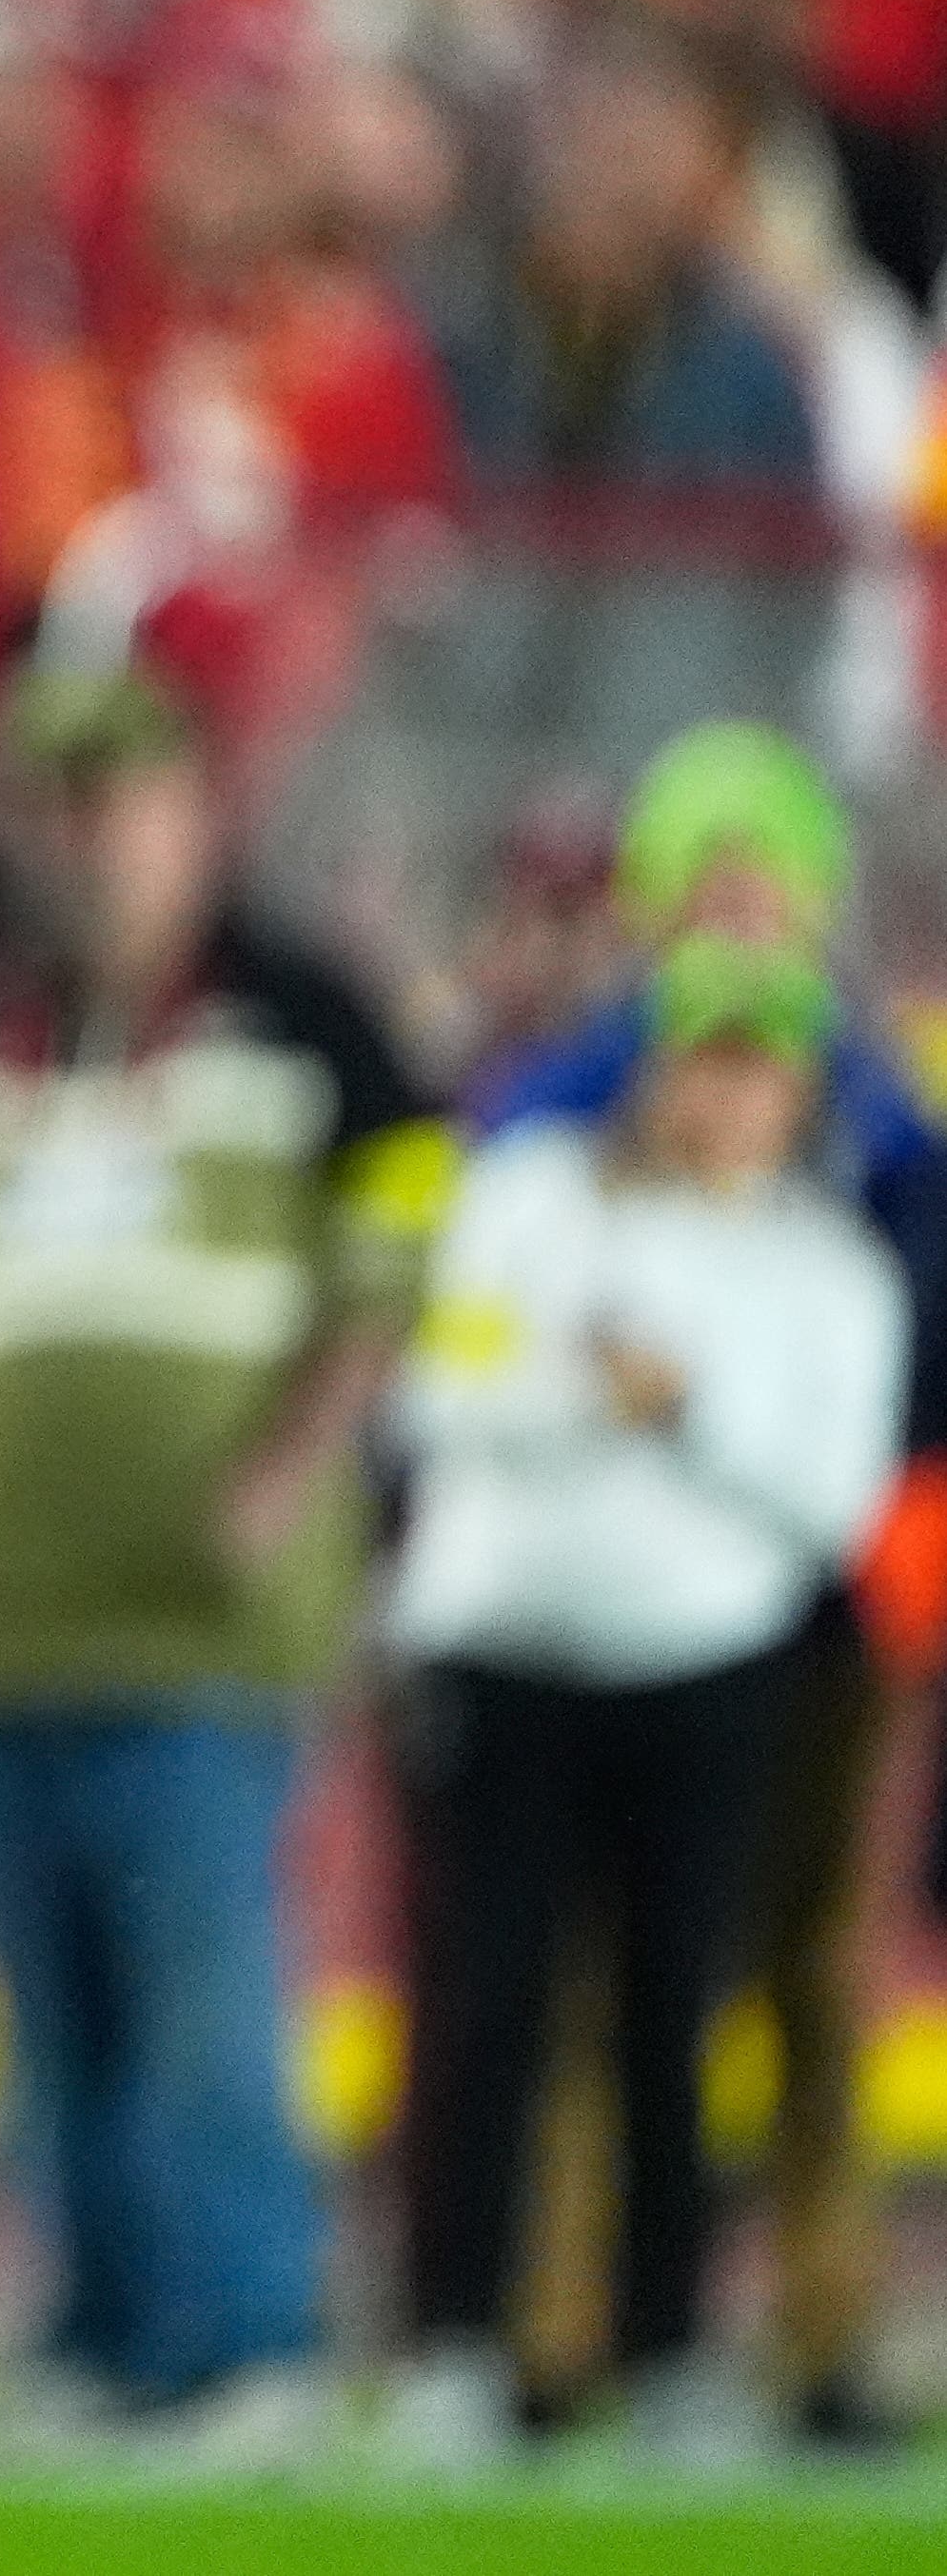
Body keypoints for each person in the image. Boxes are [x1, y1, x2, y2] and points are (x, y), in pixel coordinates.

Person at [0, 665, 436, 2461]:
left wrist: (297, 1461)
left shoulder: (299, 1012)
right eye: (60, 804)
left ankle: (247, 2340)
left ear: (196, 813)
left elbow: (405, 1227)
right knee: (54, 2021)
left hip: (201, 1619)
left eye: (124, 801)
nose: (92, 842)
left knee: (202, 2008)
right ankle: (101, 2342)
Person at [466, 719, 942, 2447]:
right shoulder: (564, 1102)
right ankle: (565, 2326)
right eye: (709, 883)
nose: (741, 914)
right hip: (617, 1593)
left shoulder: (879, 1114)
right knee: (607, 1973)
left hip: (820, 1594)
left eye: (766, 882)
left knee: (813, 1970)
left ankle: (820, 2336)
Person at [381, 938, 904, 2465]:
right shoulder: (530, 1202)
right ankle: (456, 2347)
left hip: (701, 1663)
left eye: (756, 1069)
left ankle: (667, 2347)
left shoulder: (827, 1270)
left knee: (676, 2016)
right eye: (701, 1062)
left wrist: (684, 1407)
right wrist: (577, 1398)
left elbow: (833, 1503)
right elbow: (442, 1391)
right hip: (503, 1649)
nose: (723, 1097)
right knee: (487, 2012)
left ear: (796, 1092)